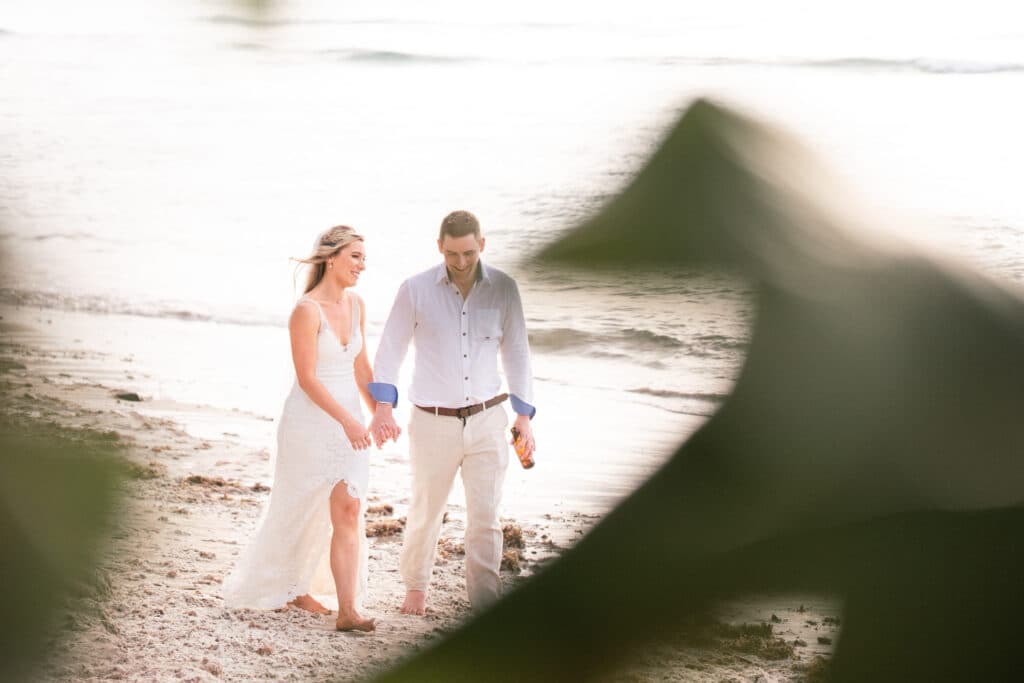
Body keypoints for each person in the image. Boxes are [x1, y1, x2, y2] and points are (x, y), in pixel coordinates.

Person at [369, 210, 537, 615]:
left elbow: (517, 353)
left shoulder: (504, 289)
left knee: (486, 516)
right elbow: (390, 351)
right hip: (431, 421)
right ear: (439, 247)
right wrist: (382, 409)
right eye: (452, 253)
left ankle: (485, 602)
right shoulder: (415, 290)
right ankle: (416, 590)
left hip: (487, 419)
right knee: (427, 509)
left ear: (482, 244)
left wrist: (524, 414)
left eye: (468, 252)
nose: (461, 262)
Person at [222, 225, 379, 632]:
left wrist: (379, 413)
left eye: (364, 257)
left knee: (348, 507)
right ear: (331, 258)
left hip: (351, 423)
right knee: (298, 508)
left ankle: (348, 610)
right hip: (310, 423)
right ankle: (292, 587)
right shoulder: (305, 311)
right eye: (356, 256)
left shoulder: (358, 305)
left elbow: (362, 369)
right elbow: (308, 378)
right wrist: (345, 419)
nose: (363, 264)